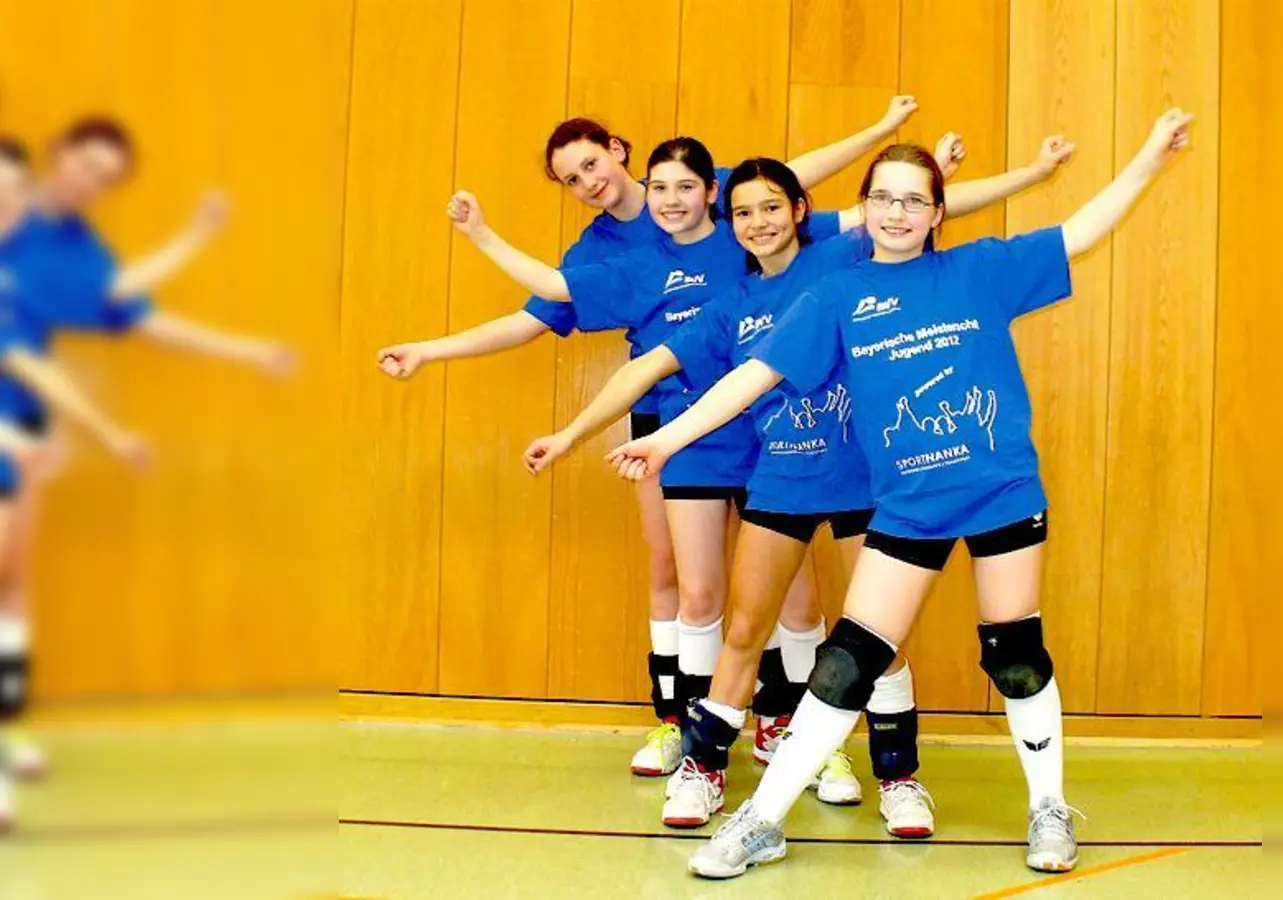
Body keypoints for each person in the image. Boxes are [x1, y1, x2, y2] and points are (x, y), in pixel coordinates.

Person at [603, 109, 1195, 878]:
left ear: (938, 212)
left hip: (1001, 492)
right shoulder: (836, 294)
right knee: (848, 662)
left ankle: (1048, 807)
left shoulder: (979, 269)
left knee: (1014, 656)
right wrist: (663, 439)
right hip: (910, 503)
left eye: (915, 200)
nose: (897, 212)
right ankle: (763, 820)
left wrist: (1148, 155)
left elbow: (1081, 231)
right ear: (866, 206)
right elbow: (754, 377)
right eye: (883, 197)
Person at [523, 136, 1075, 830]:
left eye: (772, 208)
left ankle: (896, 776)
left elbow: (910, 214)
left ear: (800, 211)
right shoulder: (729, 306)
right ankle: (706, 768)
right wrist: (578, 434)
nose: (759, 222)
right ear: (731, 222)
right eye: (744, 212)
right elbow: (656, 372)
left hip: (859, 482)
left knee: (878, 638)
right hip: (780, 481)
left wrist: (1005, 174)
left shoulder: (836, 262)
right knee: (748, 626)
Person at [377, 98, 926, 777]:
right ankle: (680, 723)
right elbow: (538, 311)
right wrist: (434, 350)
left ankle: (792, 728)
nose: (588, 184)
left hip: (768, 418)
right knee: (681, 578)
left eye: (591, 165)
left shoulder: (704, 192)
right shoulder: (607, 255)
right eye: (571, 181)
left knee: (789, 591)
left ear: (620, 149)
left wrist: (876, 133)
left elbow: (794, 180)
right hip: (672, 422)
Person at [0, 120, 293, 780]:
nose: (89, 182)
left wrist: (244, 344)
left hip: (19, 423)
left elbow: (132, 307)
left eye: (106, 177)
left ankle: (9, 734)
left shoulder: (76, 251)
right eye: (86, 164)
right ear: (58, 154)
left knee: (11, 590)